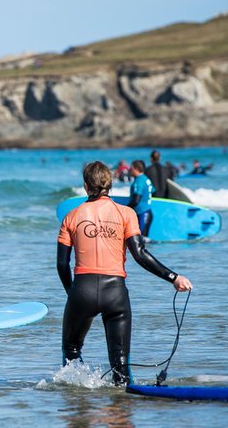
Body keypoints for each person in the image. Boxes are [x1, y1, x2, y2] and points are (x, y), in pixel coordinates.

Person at [57, 161, 192, 385]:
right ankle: (121, 409)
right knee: (120, 364)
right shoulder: (126, 214)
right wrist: (174, 277)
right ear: (109, 184)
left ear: (84, 185)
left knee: (71, 352)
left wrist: (72, 293)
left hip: (82, 290)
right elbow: (140, 254)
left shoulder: (71, 217)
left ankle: (76, 405)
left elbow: (62, 265)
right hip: (115, 293)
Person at [128, 160, 155, 237]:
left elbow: (136, 200)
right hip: (148, 212)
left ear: (136, 169)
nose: (130, 170)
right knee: (144, 240)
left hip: (142, 213)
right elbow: (153, 191)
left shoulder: (139, 181)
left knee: (140, 240)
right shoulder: (146, 179)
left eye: (131, 168)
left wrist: (125, 208)